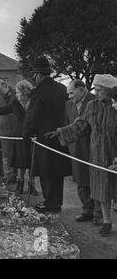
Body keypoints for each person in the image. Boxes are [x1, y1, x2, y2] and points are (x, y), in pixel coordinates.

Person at [47, 76, 117, 236]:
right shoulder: (93, 106)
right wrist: (61, 132)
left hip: (114, 156)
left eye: (99, 90)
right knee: (102, 190)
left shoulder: (116, 106)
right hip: (98, 156)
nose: (96, 93)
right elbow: (81, 125)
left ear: (109, 91)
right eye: (96, 89)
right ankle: (106, 222)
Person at [23, 56, 71, 214]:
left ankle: (49, 202)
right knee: (57, 172)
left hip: (44, 137)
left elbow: (32, 117)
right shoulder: (61, 89)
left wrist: (26, 134)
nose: (34, 78)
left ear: (38, 74)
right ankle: (57, 201)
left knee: (46, 171)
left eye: (34, 75)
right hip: (60, 134)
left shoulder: (39, 92)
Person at [0, 80, 36, 195]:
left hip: (32, 135)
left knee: (32, 161)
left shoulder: (34, 102)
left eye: (18, 93)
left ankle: (32, 185)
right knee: (21, 161)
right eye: (16, 93)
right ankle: (20, 183)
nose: (16, 95)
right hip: (20, 135)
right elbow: (3, 110)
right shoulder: (16, 103)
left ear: (25, 92)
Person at [65, 80, 101, 223]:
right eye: (68, 93)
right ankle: (87, 209)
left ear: (81, 90)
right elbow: (66, 124)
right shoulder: (68, 105)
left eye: (72, 93)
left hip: (93, 147)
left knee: (96, 180)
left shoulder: (95, 102)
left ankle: (99, 214)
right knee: (81, 179)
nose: (69, 96)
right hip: (76, 148)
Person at [0, 79, 18, 183]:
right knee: (6, 154)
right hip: (4, 130)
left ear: (5, 85)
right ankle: (7, 175)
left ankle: (16, 175)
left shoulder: (17, 94)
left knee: (17, 154)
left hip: (17, 129)